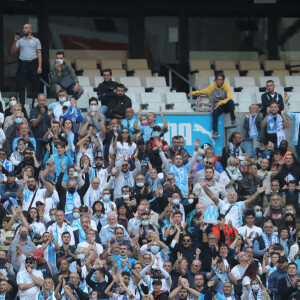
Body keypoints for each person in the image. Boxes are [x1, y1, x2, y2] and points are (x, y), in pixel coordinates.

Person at [188, 72, 237, 138]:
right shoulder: (212, 87)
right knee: (214, 113)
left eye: (221, 80)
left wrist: (220, 103)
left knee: (231, 101)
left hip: (224, 105)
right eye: (218, 79)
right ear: (215, 80)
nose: (219, 81)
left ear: (223, 80)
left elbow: (229, 98)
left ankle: (233, 120)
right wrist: (192, 93)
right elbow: (202, 91)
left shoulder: (226, 86)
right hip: (217, 106)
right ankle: (215, 132)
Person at [10, 24, 42, 105]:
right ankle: (22, 105)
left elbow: (39, 54)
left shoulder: (36, 40)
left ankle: (35, 105)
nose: (24, 29)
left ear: (30, 30)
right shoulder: (20, 40)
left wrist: (40, 66)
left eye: (26, 28)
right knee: (21, 85)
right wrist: (15, 41)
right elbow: (13, 51)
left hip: (33, 63)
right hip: (23, 63)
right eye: (23, 28)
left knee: (35, 85)